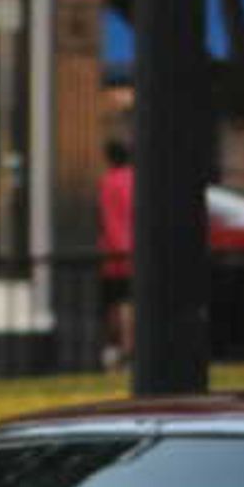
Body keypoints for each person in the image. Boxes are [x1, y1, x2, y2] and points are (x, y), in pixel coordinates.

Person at [96, 131, 136, 368]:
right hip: (135, 252)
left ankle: (119, 350)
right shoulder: (134, 179)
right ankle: (128, 349)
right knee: (129, 303)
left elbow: (110, 220)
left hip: (115, 254)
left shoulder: (109, 182)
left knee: (115, 304)